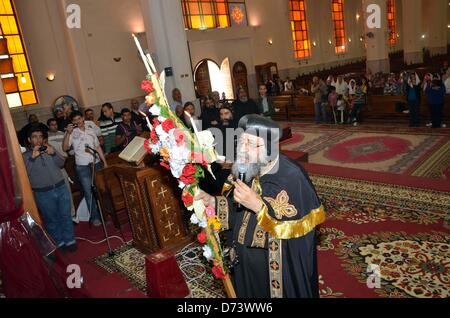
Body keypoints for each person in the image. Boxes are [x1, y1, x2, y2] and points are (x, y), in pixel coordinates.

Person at [195, 115, 325, 298]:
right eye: (241, 141)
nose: (242, 149)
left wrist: (258, 207)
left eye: (250, 143)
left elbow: (297, 234)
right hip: (244, 265)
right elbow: (235, 207)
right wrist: (213, 202)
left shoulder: (291, 177)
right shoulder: (247, 168)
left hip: (273, 272)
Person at [23, 126, 76, 252]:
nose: (38, 140)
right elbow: (24, 175)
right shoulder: (25, 156)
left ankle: (70, 240)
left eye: (40, 136)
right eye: (35, 137)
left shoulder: (48, 148)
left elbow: (61, 163)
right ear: (29, 140)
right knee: (51, 219)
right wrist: (32, 157)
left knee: (66, 215)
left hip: (60, 187)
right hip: (43, 193)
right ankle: (60, 242)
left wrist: (53, 154)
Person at [63, 111, 108, 226]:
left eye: (79, 118)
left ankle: (104, 214)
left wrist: (105, 162)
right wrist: (68, 133)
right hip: (82, 167)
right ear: (72, 122)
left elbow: (97, 147)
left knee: (100, 190)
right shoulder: (72, 133)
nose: (78, 121)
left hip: (96, 163)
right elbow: (65, 148)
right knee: (89, 192)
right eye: (75, 120)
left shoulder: (90, 130)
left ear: (83, 118)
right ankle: (95, 217)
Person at [47, 118, 75, 218]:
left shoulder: (63, 134)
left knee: (67, 191)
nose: (54, 126)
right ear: (49, 126)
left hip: (64, 164)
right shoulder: (46, 137)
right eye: (52, 125)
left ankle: (72, 214)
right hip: (53, 167)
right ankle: (62, 215)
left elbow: (68, 148)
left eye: (55, 124)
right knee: (58, 194)